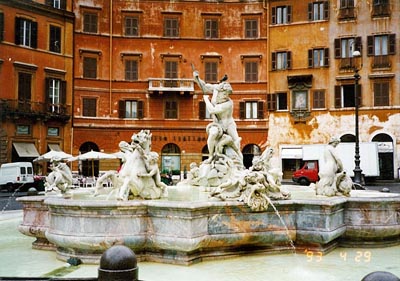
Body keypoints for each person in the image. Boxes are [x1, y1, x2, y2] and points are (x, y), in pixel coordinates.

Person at [193, 70, 241, 161]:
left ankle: (239, 164)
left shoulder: (228, 103)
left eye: (228, 94)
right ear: (220, 91)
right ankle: (211, 156)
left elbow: (212, 110)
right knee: (212, 134)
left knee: (236, 143)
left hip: (229, 124)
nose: (226, 96)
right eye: (225, 93)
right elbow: (204, 86)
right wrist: (197, 78)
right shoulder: (216, 89)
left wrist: (206, 100)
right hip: (217, 123)